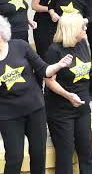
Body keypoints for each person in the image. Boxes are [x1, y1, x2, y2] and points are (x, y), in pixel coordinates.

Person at [0, 15, 73, 174]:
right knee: (14, 158)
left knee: (39, 154)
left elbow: (43, 70)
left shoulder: (20, 46)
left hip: (35, 109)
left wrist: (58, 65)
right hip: (9, 116)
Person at [43, 13, 92, 174]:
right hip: (61, 109)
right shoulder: (54, 51)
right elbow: (49, 81)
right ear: (72, 30)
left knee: (86, 150)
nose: (86, 29)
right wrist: (68, 96)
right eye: (82, 27)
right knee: (65, 153)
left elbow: (84, 69)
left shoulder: (82, 43)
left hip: (82, 106)